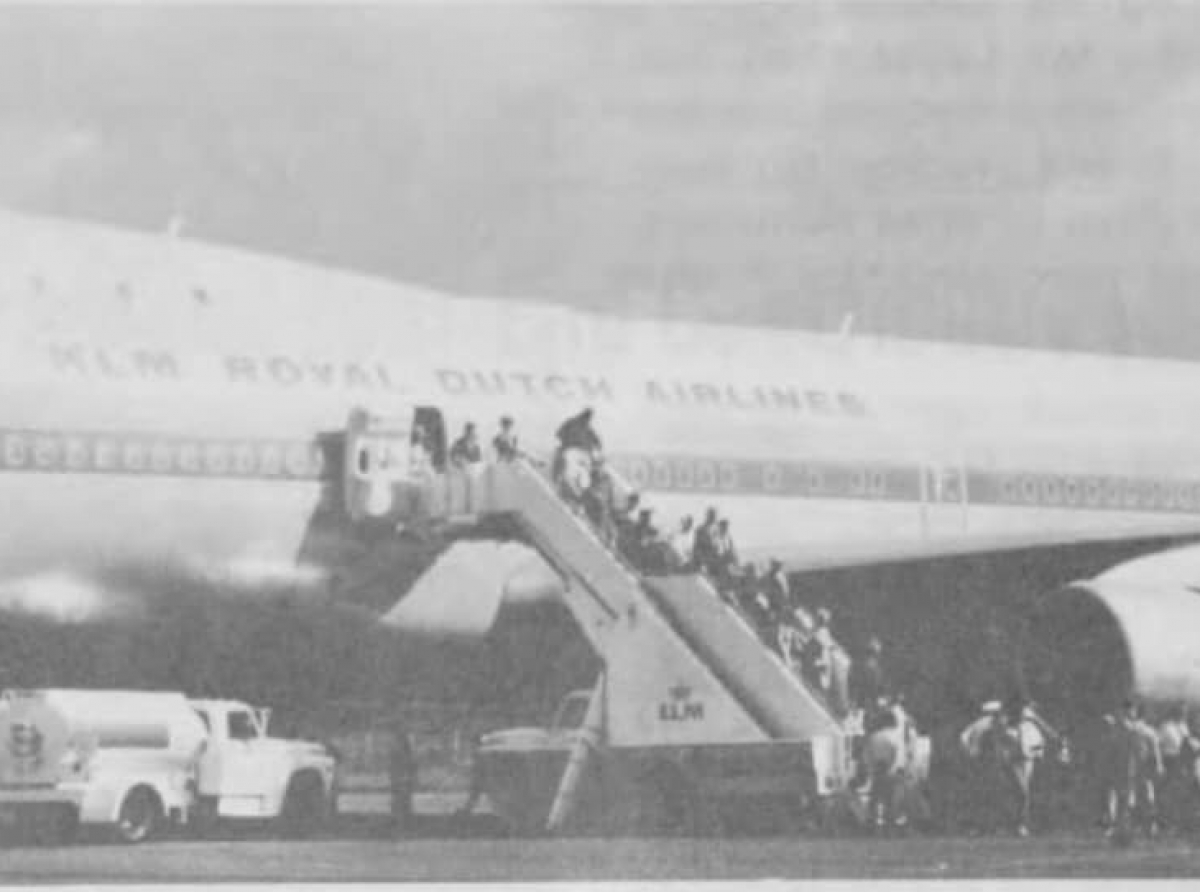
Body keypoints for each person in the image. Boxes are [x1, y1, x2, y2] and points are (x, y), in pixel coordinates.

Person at [851, 637, 891, 712]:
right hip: (859, 699)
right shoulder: (874, 669)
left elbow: (877, 687)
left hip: (861, 700)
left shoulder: (875, 669)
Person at [692, 508, 720, 577]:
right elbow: (696, 548)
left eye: (713, 516)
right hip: (704, 561)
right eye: (711, 516)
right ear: (707, 516)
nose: (712, 518)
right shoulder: (700, 530)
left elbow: (718, 548)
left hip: (715, 561)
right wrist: (702, 563)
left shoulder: (717, 530)